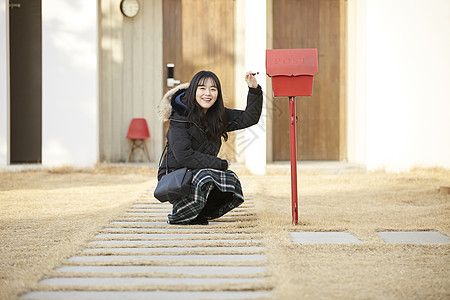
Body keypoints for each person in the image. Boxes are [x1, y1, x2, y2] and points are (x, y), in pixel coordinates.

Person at [157, 70, 263, 225]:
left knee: (230, 180)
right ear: (193, 91)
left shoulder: (217, 116)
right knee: (206, 176)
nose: (208, 93)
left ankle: (200, 212)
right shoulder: (179, 117)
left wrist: (254, 89)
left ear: (218, 94)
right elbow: (184, 156)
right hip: (175, 178)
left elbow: (249, 118)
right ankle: (181, 212)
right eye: (202, 88)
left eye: (213, 89)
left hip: (198, 173)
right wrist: (220, 164)